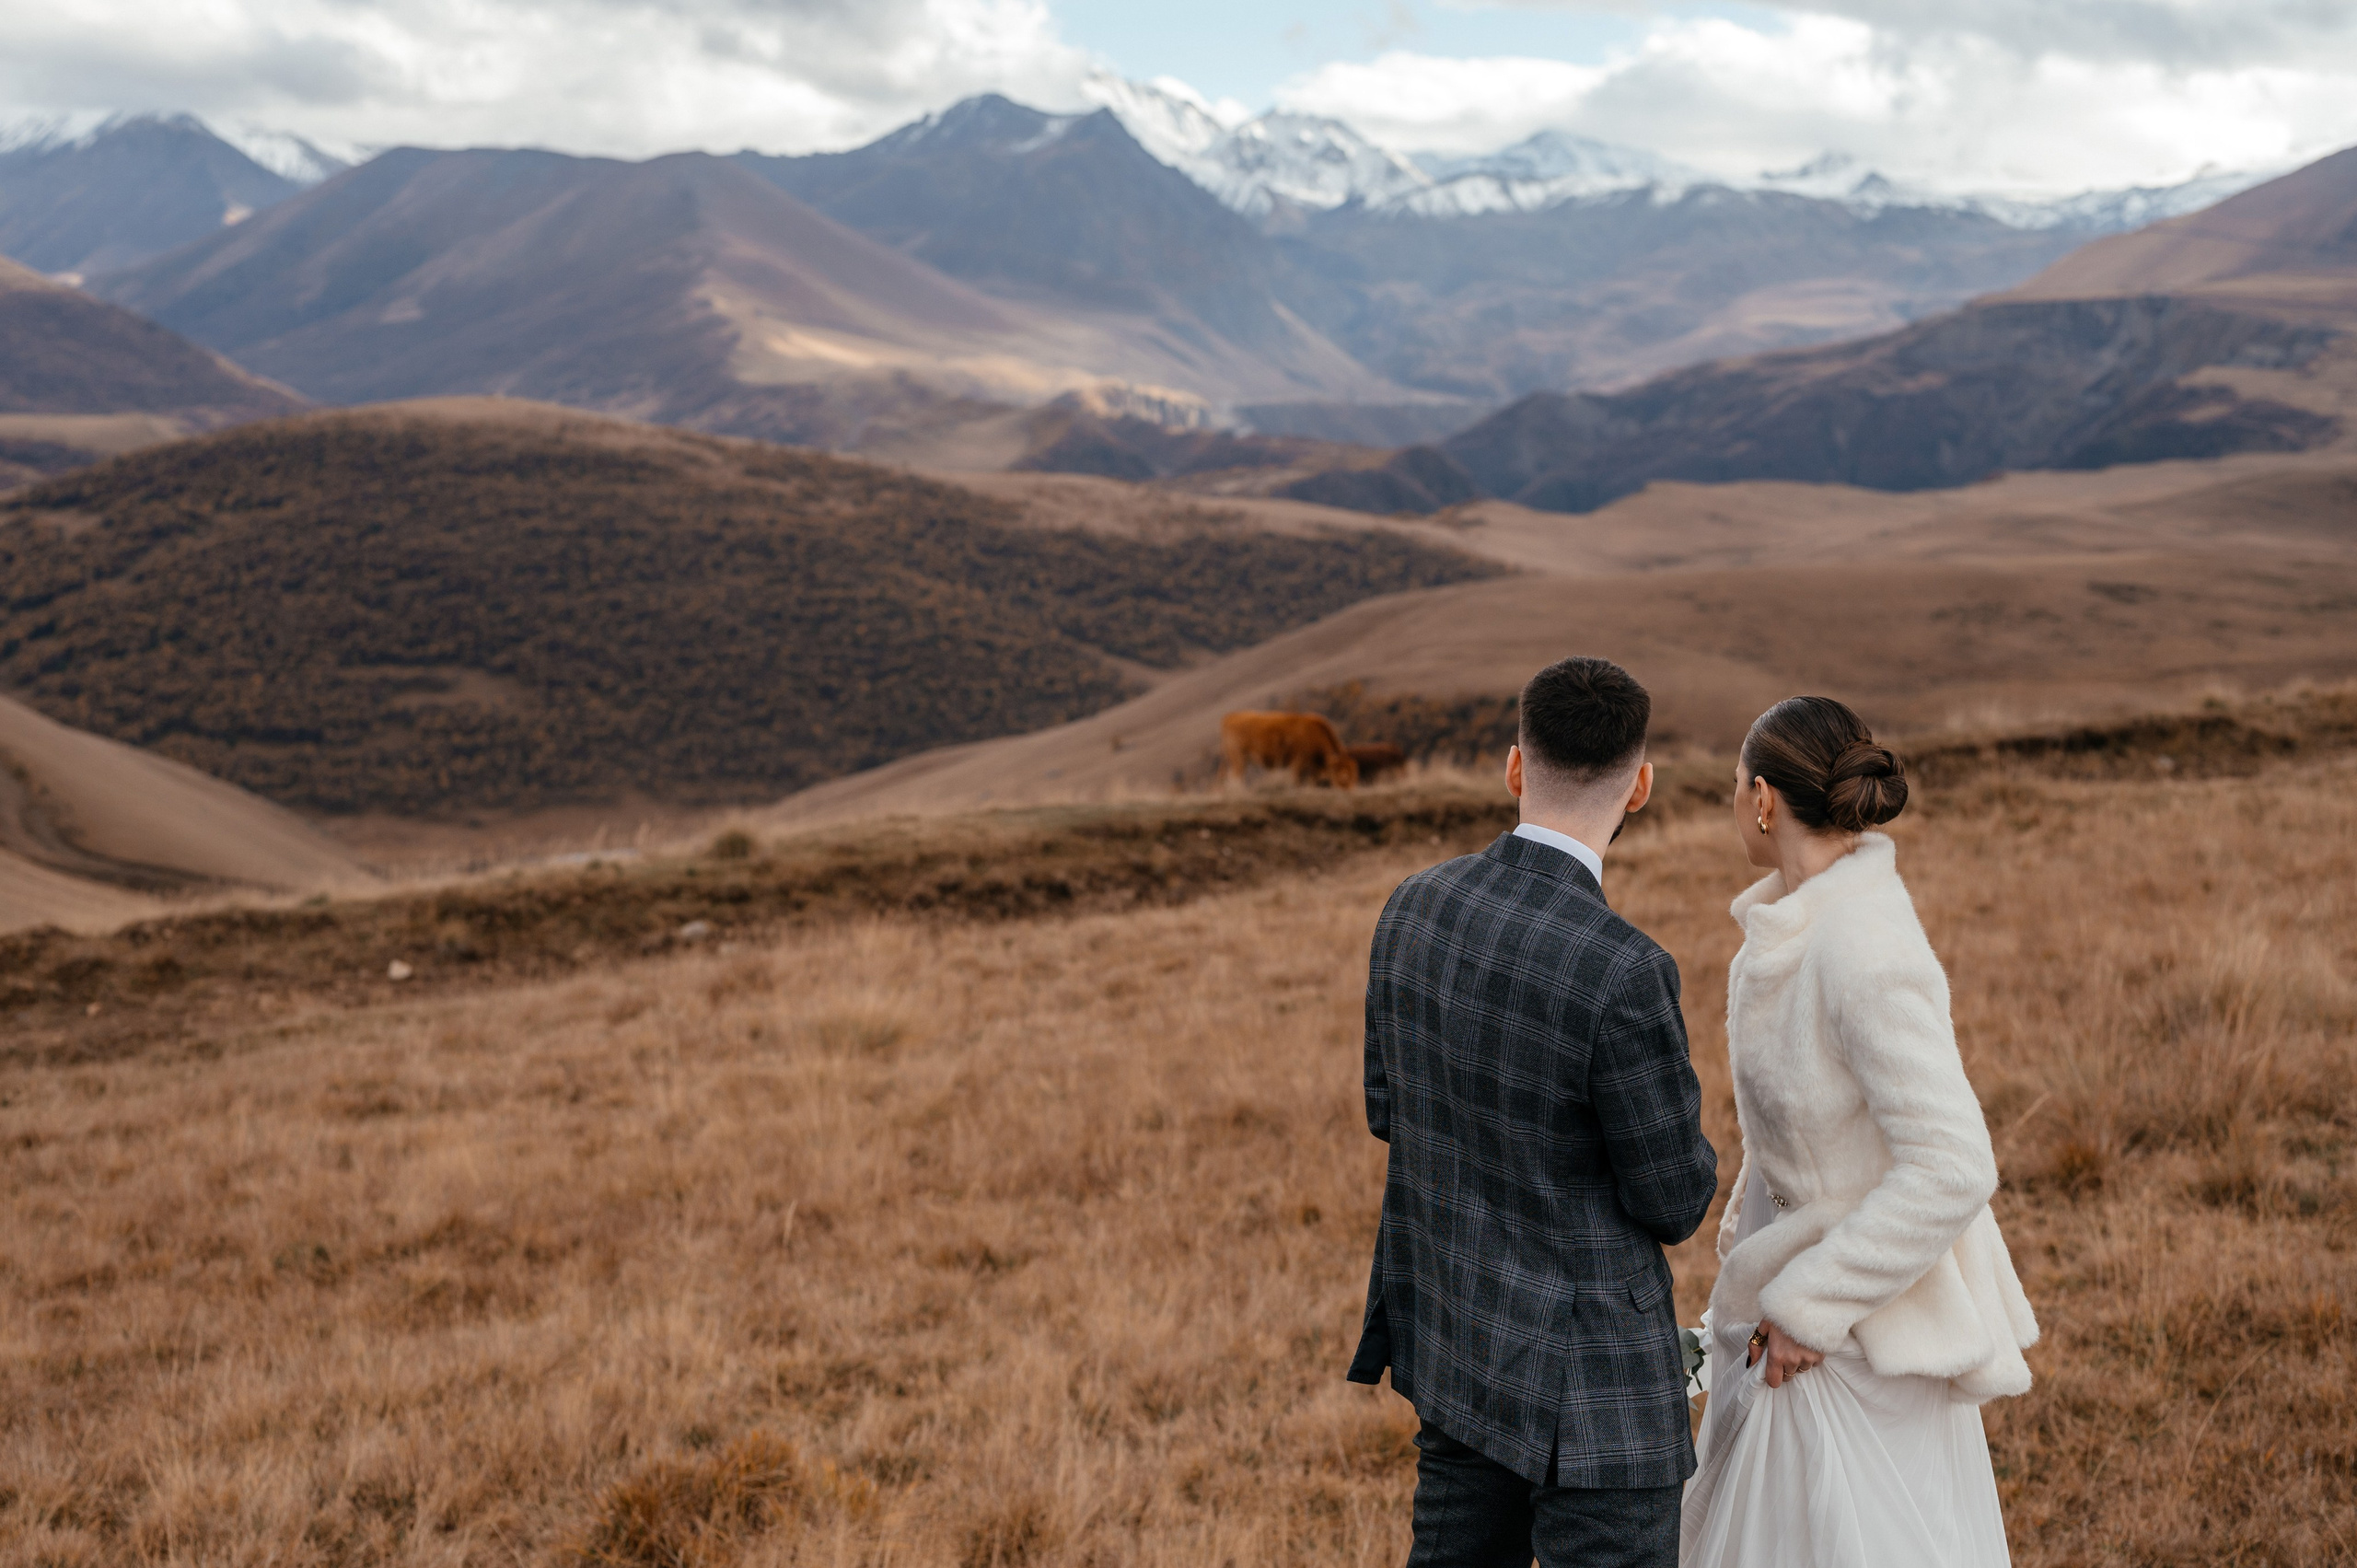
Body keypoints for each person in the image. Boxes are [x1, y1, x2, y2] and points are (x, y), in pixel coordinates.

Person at [1350, 656, 1720, 1568]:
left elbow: (1387, 1109)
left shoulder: (1413, 905)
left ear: (1515, 765)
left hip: (1458, 1343)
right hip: (1593, 1394)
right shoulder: (1625, 967)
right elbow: (1675, 1200)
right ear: (1640, 786)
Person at [1680, 696, 2040, 1568]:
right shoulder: (1790, 929)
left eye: (1735, 784)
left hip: (1855, 1343)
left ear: (1762, 799)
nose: (1733, 801)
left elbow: (1954, 1165)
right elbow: (1805, 1132)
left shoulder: (1862, 947)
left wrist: (1815, 1303)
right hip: (1789, 1307)